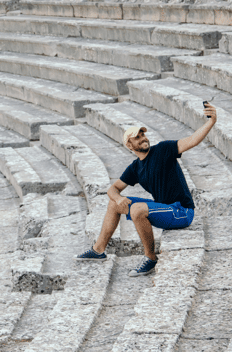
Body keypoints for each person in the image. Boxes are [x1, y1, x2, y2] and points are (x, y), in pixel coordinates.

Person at [75, 101, 218, 276]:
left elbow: (192, 141)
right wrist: (118, 198)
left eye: (143, 134)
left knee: (136, 209)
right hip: (164, 209)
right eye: (137, 137)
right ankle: (98, 250)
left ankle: (150, 258)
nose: (143, 138)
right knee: (114, 204)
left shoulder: (163, 149)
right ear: (129, 145)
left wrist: (210, 122)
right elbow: (112, 189)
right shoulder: (135, 167)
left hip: (181, 211)